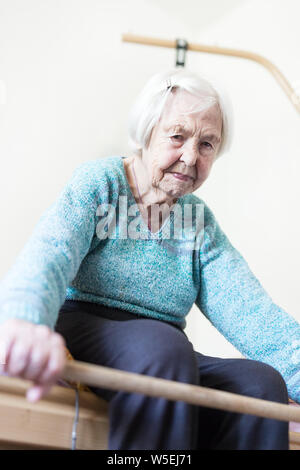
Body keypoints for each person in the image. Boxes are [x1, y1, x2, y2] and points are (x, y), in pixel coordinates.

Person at [0, 69, 299, 450]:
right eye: (178, 136)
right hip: (87, 326)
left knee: (261, 386)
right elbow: (49, 256)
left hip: (164, 351)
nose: (190, 157)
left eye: (207, 145)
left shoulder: (198, 221)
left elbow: (253, 313)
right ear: (147, 131)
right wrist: (25, 321)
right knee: (164, 347)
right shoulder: (101, 183)